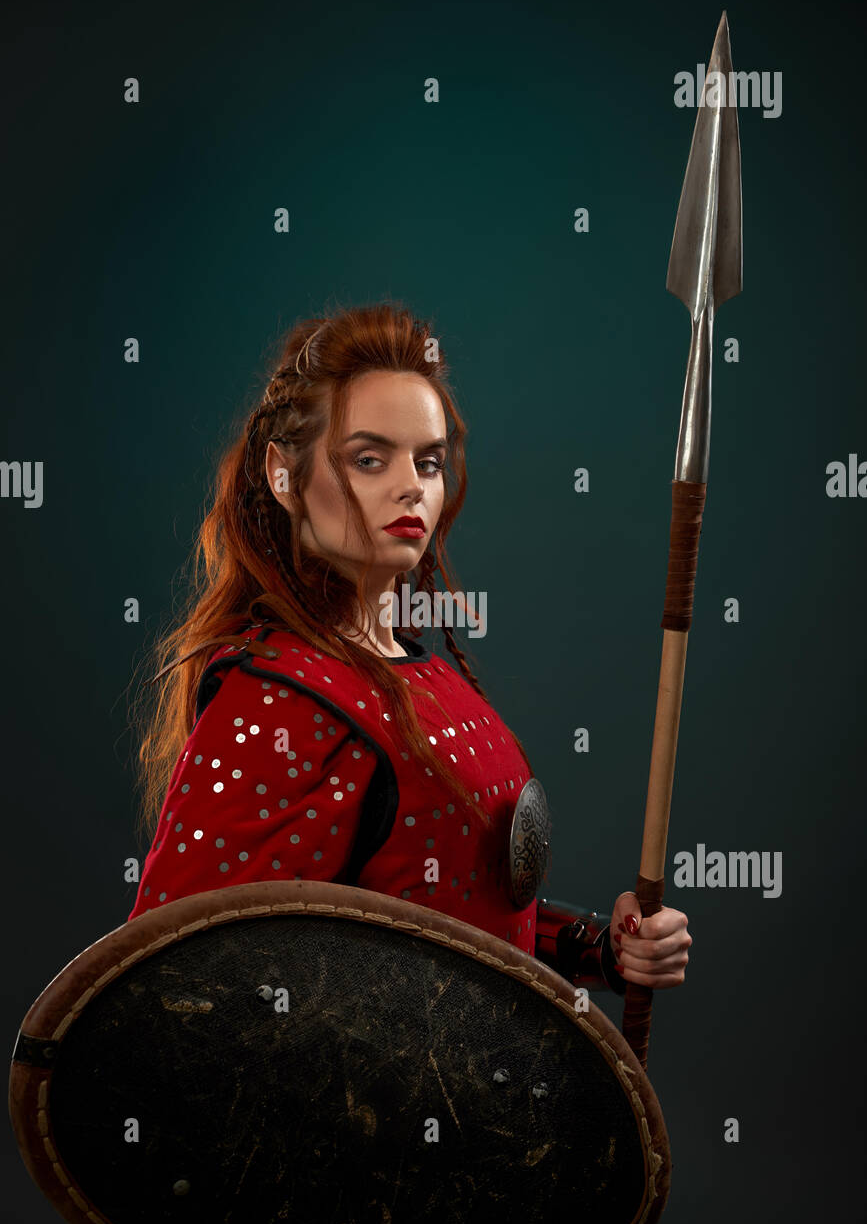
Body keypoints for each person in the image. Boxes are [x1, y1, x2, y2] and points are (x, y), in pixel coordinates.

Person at [128, 303, 691, 1000]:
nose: (411, 487)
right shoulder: (280, 700)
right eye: (369, 459)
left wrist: (601, 949)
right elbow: (179, 983)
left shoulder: (423, 672)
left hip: (474, 1098)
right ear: (282, 474)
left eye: (427, 461)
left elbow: (461, 917)